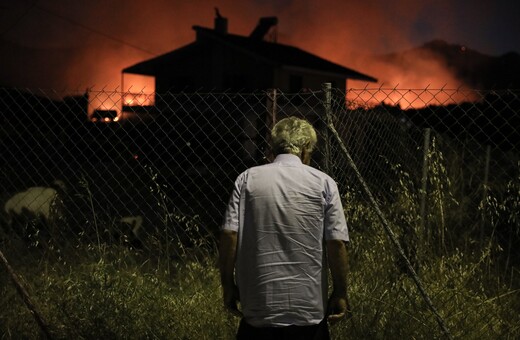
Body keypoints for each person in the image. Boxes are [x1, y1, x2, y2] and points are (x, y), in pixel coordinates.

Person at [219, 116, 350, 340]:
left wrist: (228, 285)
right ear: (306, 149)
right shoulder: (324, 183)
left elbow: (229, 233)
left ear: (273, 146)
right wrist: (340, 292)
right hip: (308, 310)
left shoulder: (247, 179)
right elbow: (336, 242)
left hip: (258, 308)